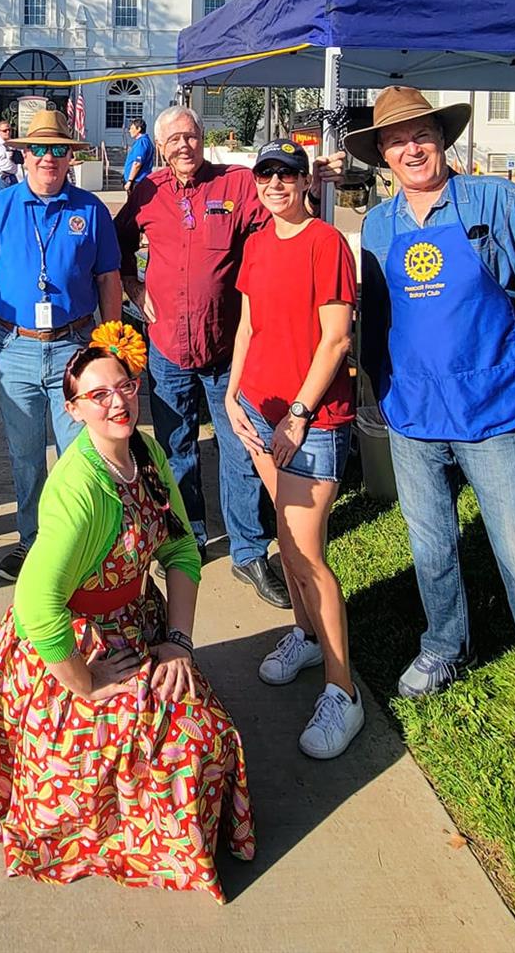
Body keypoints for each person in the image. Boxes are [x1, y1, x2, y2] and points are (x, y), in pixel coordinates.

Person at [0, 322, 254, 900]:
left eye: (125, 387)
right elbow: (36, 603)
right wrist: (85, 685)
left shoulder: (147, 451)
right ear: (74, 409)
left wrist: (179, 641)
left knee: (208, 737)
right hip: (72, 644)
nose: (118, 402)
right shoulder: (80, 490)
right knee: (175, 752)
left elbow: (182, 548)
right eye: (98, 394)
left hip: (138, 624)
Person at [350, 86, 515, 764]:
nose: (412, 146)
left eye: (423, 132)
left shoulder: (495, 203)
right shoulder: (378, 224)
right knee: (433, 549)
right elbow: (376, 316)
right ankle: (444, 645)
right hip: (412, 415)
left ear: (444, 137)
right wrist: (373, 384)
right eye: (397, 138)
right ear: (381, 153)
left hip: (492, 411)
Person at [114, 103, 290, 610]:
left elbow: (275, 225)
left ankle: (249, 549)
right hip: (168, 344)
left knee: (241, 446)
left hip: (227, 346)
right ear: (161, 148)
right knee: (176, 449)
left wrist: (309, 180)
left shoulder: (234, 185)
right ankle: (186, 538)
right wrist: (130, 281)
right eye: (173, 141)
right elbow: (120, 238)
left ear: (202, 137)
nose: (184, 146)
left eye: (191, 136)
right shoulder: (146, 191)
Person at [225, 140, 363, 759]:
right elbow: (249, 324)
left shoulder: (326, 244)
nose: (276, 184)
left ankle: (344, 690)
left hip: (310, 421)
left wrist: (301, 416)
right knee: (283, 539)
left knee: (306, 556)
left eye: (287, 174)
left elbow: (335, 341)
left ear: (307, 181)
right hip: (259, 409)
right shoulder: (257, 243)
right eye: (267, 174)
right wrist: (232, 393)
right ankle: (304, 635)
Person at [0, 107, 122, 580]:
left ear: (69, 158)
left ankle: (81, 544)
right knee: (26, 454)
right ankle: (33, 542)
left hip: (75, 346)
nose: (47, 158)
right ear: (24, 155)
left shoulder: (89, 210)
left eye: (58, 150)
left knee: (80, 454)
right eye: (38, 149)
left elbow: (109, 279)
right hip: (16, 347)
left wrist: (109, 347)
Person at [121, 116, 155, 185]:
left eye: (132, 128)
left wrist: (130, 181)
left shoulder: (142, 142)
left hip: (137, 181)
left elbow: (137, 163)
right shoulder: (142, 142)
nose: (129, 130)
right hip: (137, 180)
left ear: (138, 129)